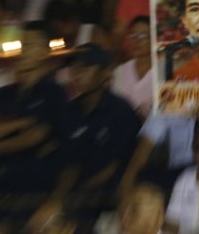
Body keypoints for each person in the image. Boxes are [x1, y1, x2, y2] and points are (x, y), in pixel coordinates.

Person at [0, 21, 73, 197]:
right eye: (22, 44)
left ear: (44, 51)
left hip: (35, 186)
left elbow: (34, 137)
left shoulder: (53, 93)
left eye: (30, 45)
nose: (23, 51)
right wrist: (23, 122)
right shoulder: (5, 93)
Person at [55, 45, 141, 199]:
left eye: (85, 68)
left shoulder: (120, 111)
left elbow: (116, 165)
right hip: (72, 196)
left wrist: (76, 194)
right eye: (74, 68)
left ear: (106, 73)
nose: (77, 74)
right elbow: (68, 162)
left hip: (108, 199)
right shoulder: (69, 110)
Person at [113, 17, 155, 117]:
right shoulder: (119, 72)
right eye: (133, 35)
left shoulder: (163, 73)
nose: (136, 40)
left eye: (143, 35)